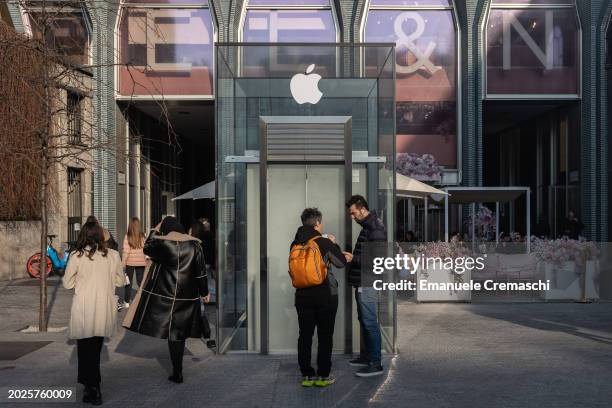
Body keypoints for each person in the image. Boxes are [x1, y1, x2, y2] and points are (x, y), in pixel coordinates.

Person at [125, 216, 208, 383]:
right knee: (180, 334)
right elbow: (200, 272)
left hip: (167, 296)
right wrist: (204, 292)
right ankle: (178, 370)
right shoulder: (194, 245)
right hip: (188, 296)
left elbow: (147, 248)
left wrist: (155, 230)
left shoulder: (164, 244)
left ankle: (177, 372)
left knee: (172, 334)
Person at [62, 221, 125, 405]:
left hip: (84, 307)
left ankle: (93, 387)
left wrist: (80, 284)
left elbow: (67, 283)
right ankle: (90, 387)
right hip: (103, 308)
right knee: (95, 350)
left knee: (84, 350)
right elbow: (121, 281)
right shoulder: (112, 255)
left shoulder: (76, 256)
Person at [291, 208, 351, 388]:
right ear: (317, 223)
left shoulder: (295, 243)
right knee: (325, 336)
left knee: (305, 335)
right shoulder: (322, 242)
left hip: (302, 295)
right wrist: (333, 244)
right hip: (325, 295)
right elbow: (340, 262)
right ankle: (323, 375)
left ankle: (307, 375)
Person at [345, 195, 386, 377]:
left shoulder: (375, 228)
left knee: (369, 322)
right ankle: (366, 356)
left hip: (368, 281)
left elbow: (378, 260)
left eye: (353, 213)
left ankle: (375, 363)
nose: (352, 217)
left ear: (362, 208)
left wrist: (354, 259)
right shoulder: (368, 226)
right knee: (364, 320)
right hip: (362, 281)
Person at [120, 217, 147, 309]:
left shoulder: (128, 236)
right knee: (141, 282)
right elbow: (146, 250)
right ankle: (143, 301)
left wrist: (122, 265)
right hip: (141, 263)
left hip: (130, 263)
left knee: (128, 282)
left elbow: (125, 252)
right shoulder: (143, 236)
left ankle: (127, 302)